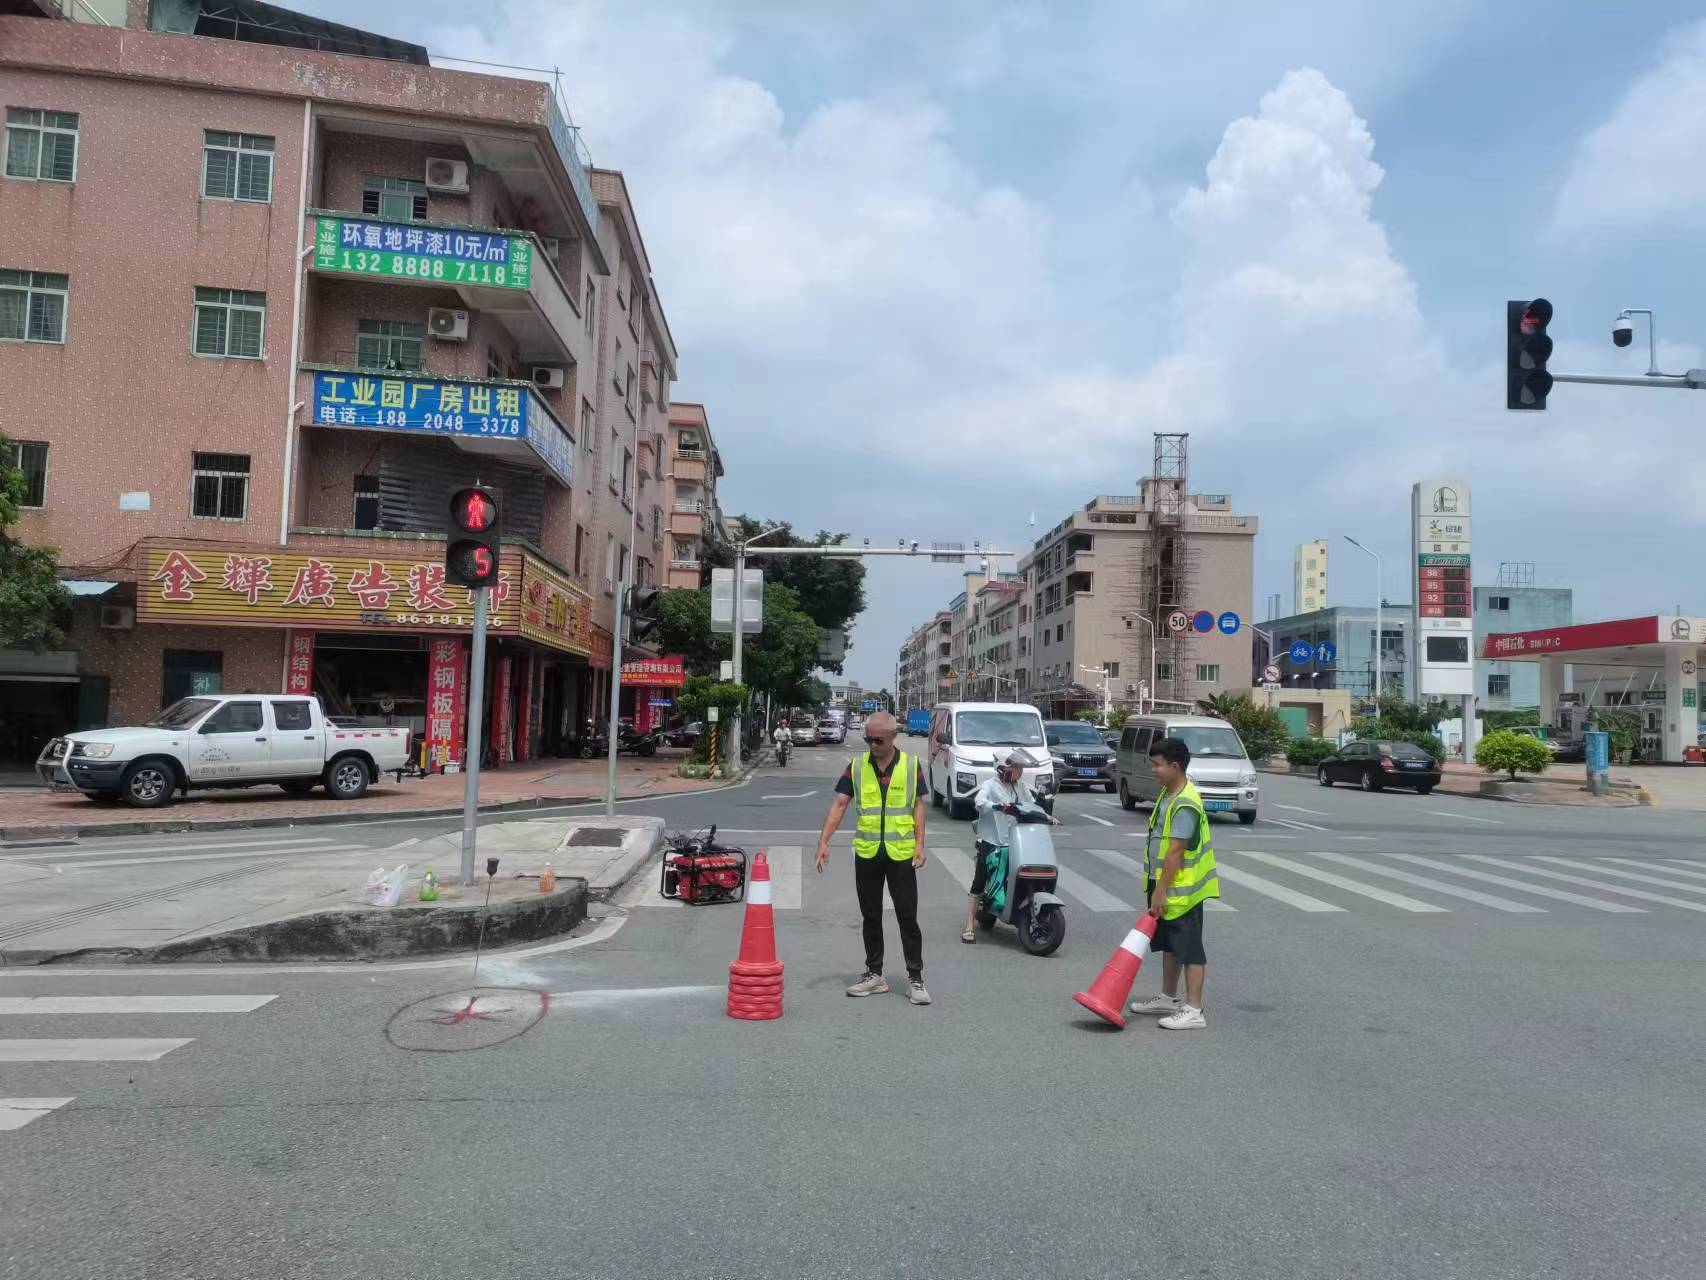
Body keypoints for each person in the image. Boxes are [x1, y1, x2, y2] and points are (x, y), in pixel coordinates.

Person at [814, 711, 931, 1005]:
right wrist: (823, 842)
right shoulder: (856, 766)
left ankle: (915, 978)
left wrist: (920, 844)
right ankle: (874, 974)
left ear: (892, 737)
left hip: (900, 854)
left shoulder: (910, 765)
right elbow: (840, 804)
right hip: (867, 853)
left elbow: (918, 806)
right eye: (868, 738)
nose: (872, 744)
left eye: (877, 740)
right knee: (871, 916)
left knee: (907, 917)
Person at [1128, 735, 1220, 1030]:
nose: (1153, 770)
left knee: (1190, 948)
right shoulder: (1169, 795)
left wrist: (1161, 890)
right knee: (1170, 944)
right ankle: (1169, 997)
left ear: (1175, 766)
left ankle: (1194, 1009)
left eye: (1157, 765)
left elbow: (1175, 852)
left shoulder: (1184, 803)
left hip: (1182, 889)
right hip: (1167, 885)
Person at [964, 749, 1058, 942]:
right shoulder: (990, 786)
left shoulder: (1021, 787)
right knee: (979, 881)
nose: (1019, 771)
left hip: (1016, 842)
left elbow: (1032, 806)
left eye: (1020, 767)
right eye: (1015, 767)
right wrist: (996, 806)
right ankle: (968, 925)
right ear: (1001, 768)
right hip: (992, 841)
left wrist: (1048, 817)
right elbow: (979, 802)